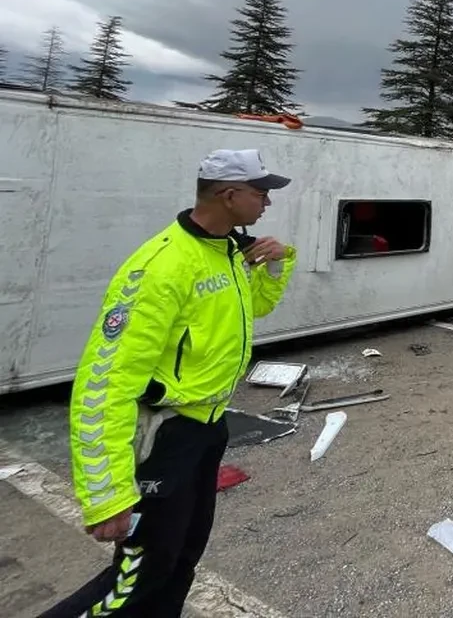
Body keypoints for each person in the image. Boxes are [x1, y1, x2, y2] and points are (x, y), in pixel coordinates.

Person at [45, 149, 296, 618]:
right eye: (261, 194)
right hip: (166, 440)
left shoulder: (226, 252)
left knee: (180, 563)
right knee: (135, 581)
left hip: (208, 428)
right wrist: (107, 493)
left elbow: (254, 310)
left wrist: (277, 265)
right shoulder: (161, 266)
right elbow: (105, 381)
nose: (267, 203)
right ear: (228, 195)